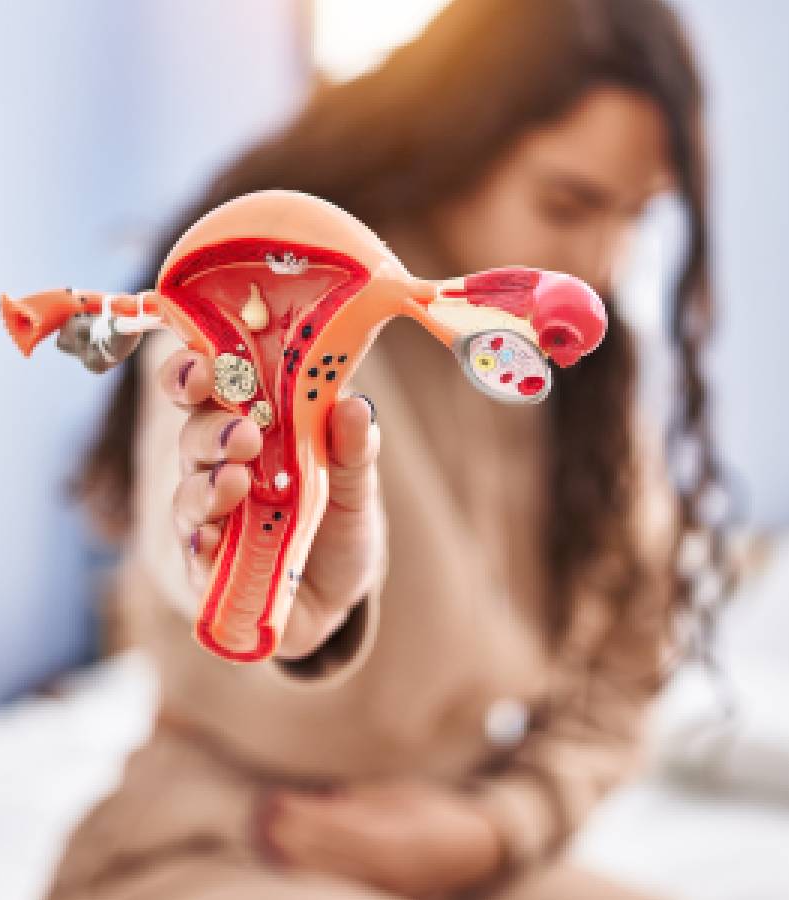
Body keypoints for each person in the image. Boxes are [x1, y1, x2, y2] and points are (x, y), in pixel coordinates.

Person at [49, 0, 734, 896]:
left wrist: (494, 829)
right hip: (233, 845)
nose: (600, 262)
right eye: (568, 203)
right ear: (460, 139)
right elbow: (187, 532)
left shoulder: (586, 387)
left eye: (637, 216)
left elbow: (625, 673)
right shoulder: (280, 297)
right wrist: (259, 585)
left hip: (463, 853)